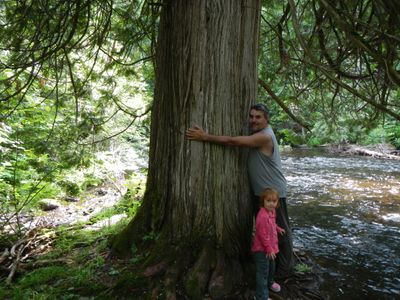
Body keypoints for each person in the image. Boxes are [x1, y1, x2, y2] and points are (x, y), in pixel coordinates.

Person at [186, 103, 294, 277]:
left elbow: (233, 141)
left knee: (280, 229)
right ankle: (269, 263)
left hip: (273, 194)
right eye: (251, 116)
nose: (253, 120)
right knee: (265, 228)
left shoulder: (264, 136)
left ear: (266, 119)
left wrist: (205, 136)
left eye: (258, 117)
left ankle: (285, 269)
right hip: (261, 193)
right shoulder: (260, 134)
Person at [252, 188, 284, 300]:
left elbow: (272, 224)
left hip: (271, 248)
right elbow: (262, 234)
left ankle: (270, 283)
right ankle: (261, 296)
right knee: (263, 272)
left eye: (274, 201)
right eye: (268, 201)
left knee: (271, 267)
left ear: (277, 202)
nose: (271, 204)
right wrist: (269, 249)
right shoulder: (262, 216)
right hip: (262, 250)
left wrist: (277, 228)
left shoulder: (272, 212)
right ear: (263, 201)